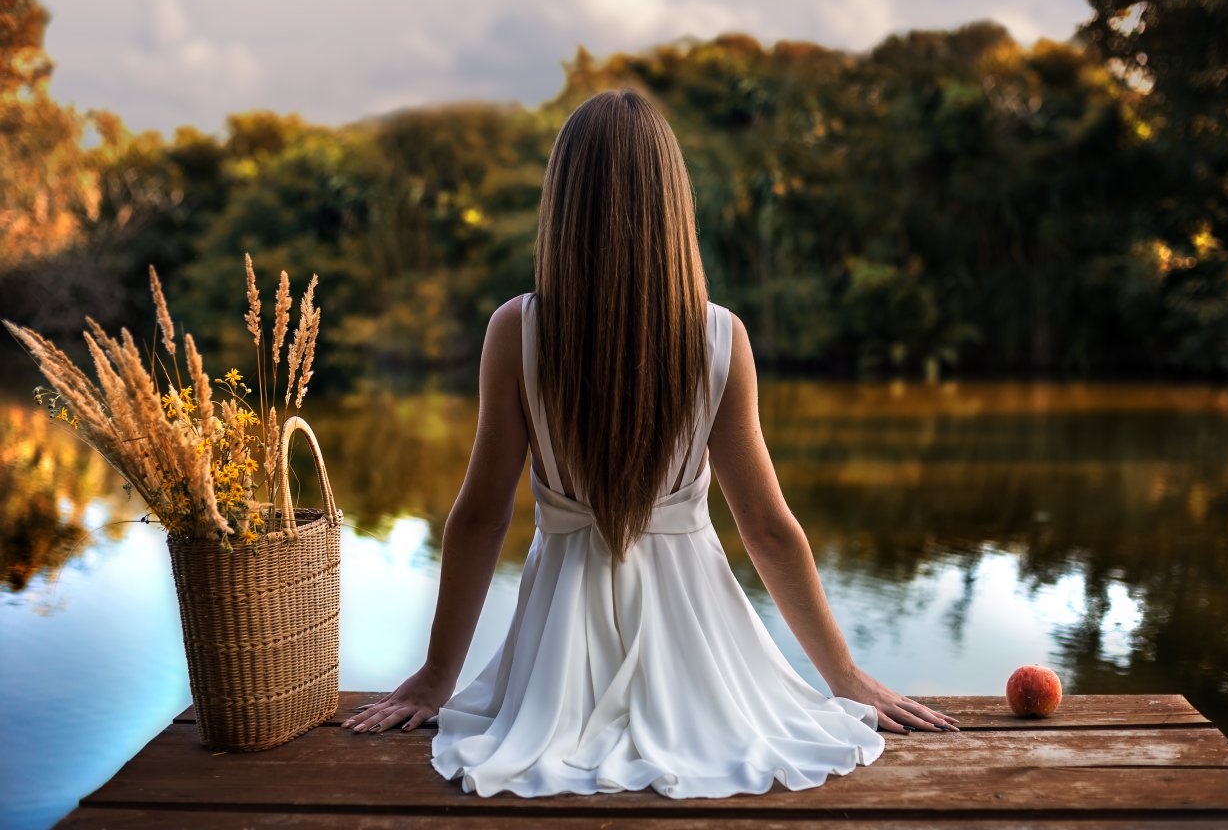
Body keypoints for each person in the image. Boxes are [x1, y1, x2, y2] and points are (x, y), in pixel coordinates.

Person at [342, 88, 959, 798]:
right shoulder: (720, 337)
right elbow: (766, 529)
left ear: (562, 205)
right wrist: (844, 677)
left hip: (557, 666)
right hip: (698, 657)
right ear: (672, 205)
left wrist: (437, 677)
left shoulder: (518, 331)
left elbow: (481, 517)